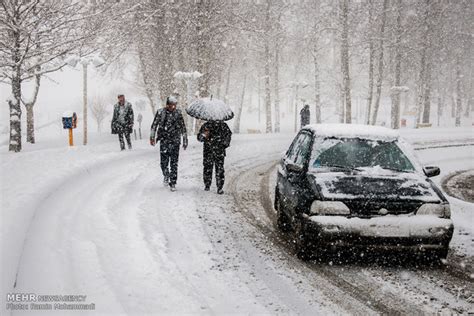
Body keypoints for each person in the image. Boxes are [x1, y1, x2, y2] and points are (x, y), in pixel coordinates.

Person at [150, 96, 188, 192]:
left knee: (174, 163)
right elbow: (154, 125)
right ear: (167, 105)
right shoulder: (160, 112)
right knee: (163, 163)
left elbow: (183, 127)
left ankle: (173, 182)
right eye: (171, 105)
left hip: (175, 141)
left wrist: (185, 139)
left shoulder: (178, 114)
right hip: (164, 141)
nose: (172, 107)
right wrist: (152, 137)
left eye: (174, 105)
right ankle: (166, 175)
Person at [197, 120, 232, 194]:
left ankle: (219, 187)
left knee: (219, 169)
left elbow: (228, 135)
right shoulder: (206, 125)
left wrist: (224, 144)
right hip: (208, 150)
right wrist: (204, 135)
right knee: (207, 168)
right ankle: (207, 185)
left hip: (219, 151)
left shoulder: (223, 125)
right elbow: (199, 138)